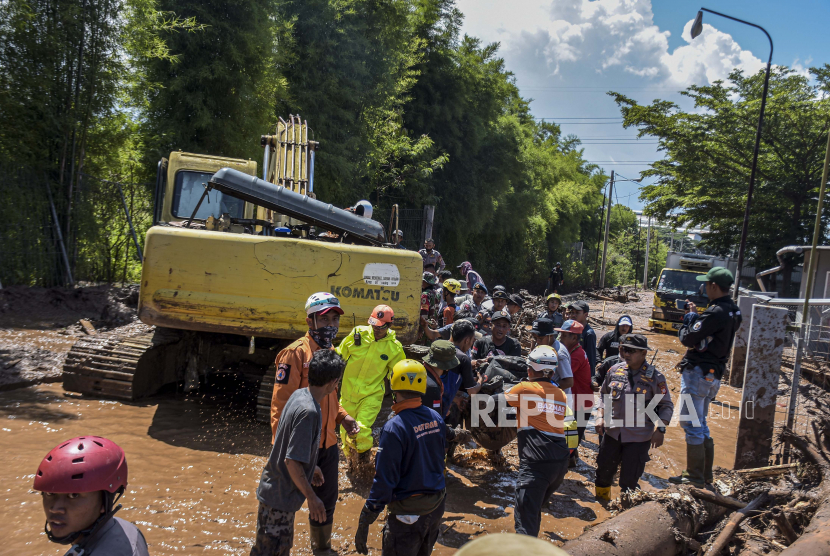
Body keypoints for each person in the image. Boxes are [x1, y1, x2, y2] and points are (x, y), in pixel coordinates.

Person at [270, 292, 359, 554]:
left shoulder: (331, 352)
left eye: (335, 319)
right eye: (325, 319)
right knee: (286, 503)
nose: (331, 325)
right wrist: (285, 451)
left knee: (327, 500)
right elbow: (280, 407)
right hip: (300, 447)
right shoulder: (295, 354)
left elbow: (331, 397)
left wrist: (342, 417)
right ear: (310, 322)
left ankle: (321, 549)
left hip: (328, 445)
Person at [253, 350, 346, 555]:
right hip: (280, 499)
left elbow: (290, 444)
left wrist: (312, 467)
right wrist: (312, 498)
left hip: (274, 491)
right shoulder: (310, 411)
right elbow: (292, 462)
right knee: (273, 551)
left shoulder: (300, 394)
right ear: (333, 383)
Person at [354, 360, 447, 556]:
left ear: (393, 384)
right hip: (436, 507)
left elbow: (385, 480)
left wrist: (367, 516)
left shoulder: (394, 427)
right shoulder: (435, 417)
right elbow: (439, 459)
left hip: (408, 515)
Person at [670, 267, 741, 488]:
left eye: (706, 284)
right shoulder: (733, 311)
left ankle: (694, 476)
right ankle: (704, 475)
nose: (703, 287)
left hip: (698, 372)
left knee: (690, 421)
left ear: (713, 286)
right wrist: (698, 316)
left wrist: (689, 319)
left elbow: (688, 338)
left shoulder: (715, 312)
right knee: (700, 422)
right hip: (714, 375)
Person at [34, 436, 149, 556]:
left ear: (104, 502)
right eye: (50, 493)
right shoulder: (128, 529)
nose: (55, 508)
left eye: (73, 495)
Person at [594, 334, 674, 500]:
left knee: (629, 481)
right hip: (612, 433)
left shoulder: (655, 378)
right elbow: (604, 396)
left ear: (644, 354)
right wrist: (600, 416)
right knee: (603, 473)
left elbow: (665, 406)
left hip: (638, 438)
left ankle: (624, 512)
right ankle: (602, 505)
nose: (626, 354)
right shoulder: (615, 370)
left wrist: (660, 429)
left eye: (631, 351)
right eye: (623, 349)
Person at [506, 345, 570, 537]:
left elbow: (493, 401)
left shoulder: (525, 388)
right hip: (559, 464)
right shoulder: (561, 394)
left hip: (536, 464)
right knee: (534, 512)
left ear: (530, 370)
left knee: (525, 524)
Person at [337, 304, 406, 464]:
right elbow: (340, 354)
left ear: (389, 325)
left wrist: (401, 400)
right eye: (373, 324)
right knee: (345, 434)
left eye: (380, 327)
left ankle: (364, 461)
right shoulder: (358, 334)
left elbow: (398, 377)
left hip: (371, 396)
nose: (376, 329)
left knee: (360, 430)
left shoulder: (394, 348)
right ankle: (351, 463)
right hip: (347, 395)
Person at [420, 342, 474, 444]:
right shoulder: (432, 387)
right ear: (448, 366)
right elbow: (434, 424)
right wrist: (454, 434)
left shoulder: (421, 373)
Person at [556, 320, 593, 467]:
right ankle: (571, 461)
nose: (560, 338)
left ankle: (566, 466)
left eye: (564, 335)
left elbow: (562, 374)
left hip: (581, 403)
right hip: (576, 400)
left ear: (574, 338)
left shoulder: (576, 354)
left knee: (571, 438)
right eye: (560, 334)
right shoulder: (571, 350)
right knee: (570, 436)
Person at [438, 321, 485, 418]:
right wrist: (480, 381)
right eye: (472, 341)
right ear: (467, 340)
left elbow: (442, 381)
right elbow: (472, 391)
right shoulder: (463, 358)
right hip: (442, 408)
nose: (471, 344)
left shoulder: (439, 347)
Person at [528, 318, 573, 392]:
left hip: (559, 399)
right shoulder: (541, 345)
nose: (537, 341)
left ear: (551, 336)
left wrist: (548, 390)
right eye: (535, 338)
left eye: (540, 338)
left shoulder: (559, 353)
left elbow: (569, 382)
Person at [567, 300, 597, 372]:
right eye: (572, 312)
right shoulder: (570, 330)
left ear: (585, 314)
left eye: (577, 313)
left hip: (581, 372)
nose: (573, 315)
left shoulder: (589, 334)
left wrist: (590, 379)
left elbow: (591, 359)